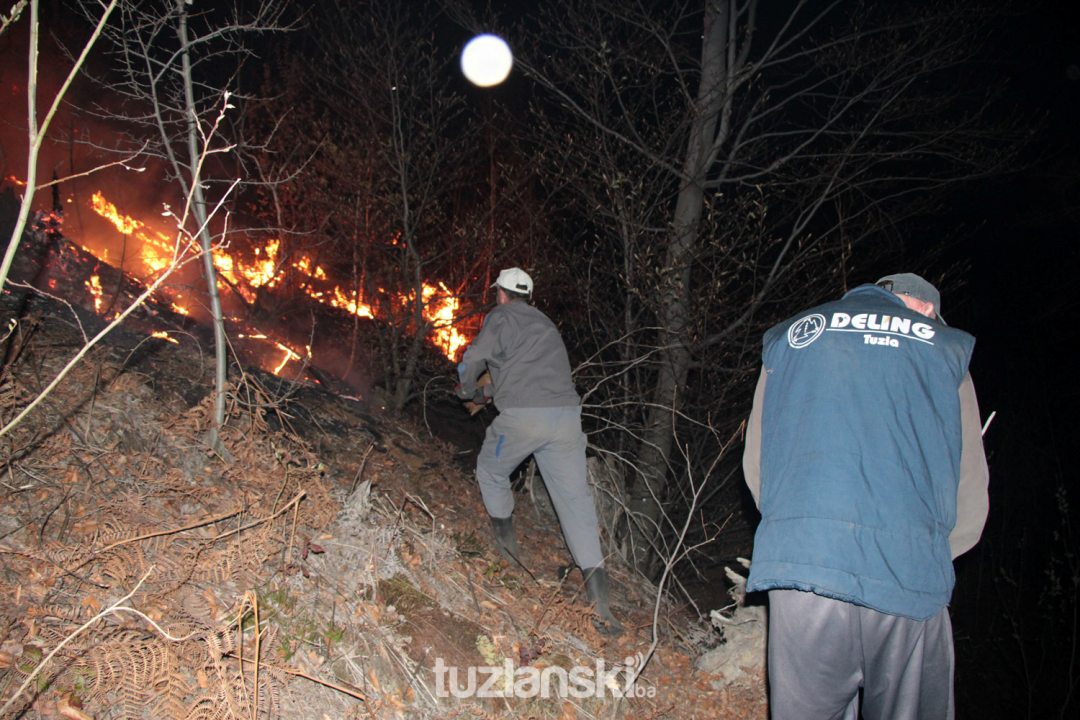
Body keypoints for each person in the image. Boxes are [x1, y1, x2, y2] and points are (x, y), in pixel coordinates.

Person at [742, 273, 989, 719]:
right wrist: (928, 552)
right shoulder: (945, 350)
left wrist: (804, 532)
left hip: (803, 568)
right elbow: (969, 491)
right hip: (907, 576)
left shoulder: (794, 337)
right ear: (926, 310)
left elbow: (758, 464)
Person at [456, 267, 622, 635]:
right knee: (575, 503)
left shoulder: (501, 316)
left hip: (524, 420)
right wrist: (487, 394)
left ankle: (507, 551)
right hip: (565, 421)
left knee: (490, 470)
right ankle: (602, 606)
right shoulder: (545, 325)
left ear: (501, 294)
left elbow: (474, 357)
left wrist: (466, 388)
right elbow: (522, 374)